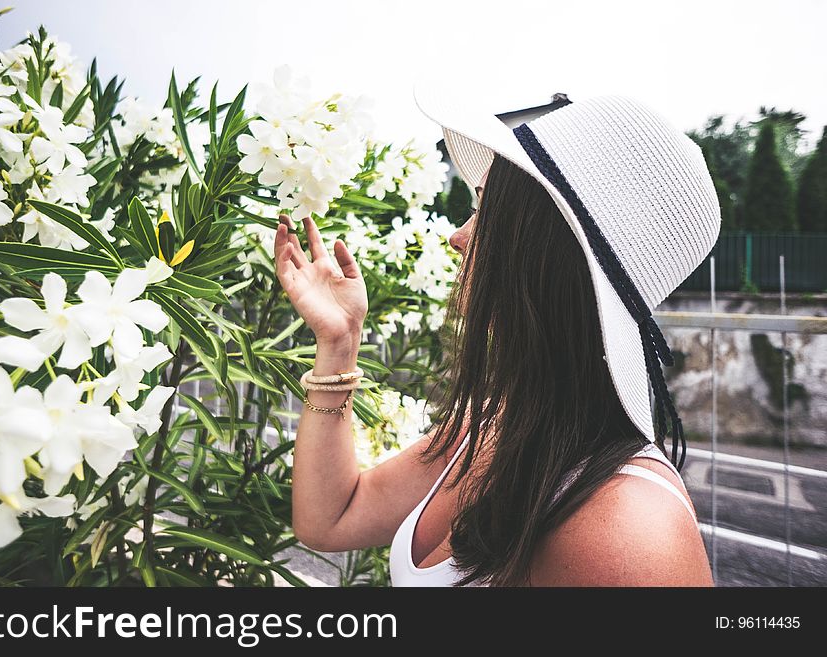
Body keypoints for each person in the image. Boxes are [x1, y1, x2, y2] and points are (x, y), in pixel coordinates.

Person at [273, 87, 719, 587]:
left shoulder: (630, 531)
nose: (457, 236)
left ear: (546, 249)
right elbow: (331, 519)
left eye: (484, 207)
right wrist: (339, 343)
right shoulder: (489, 427)